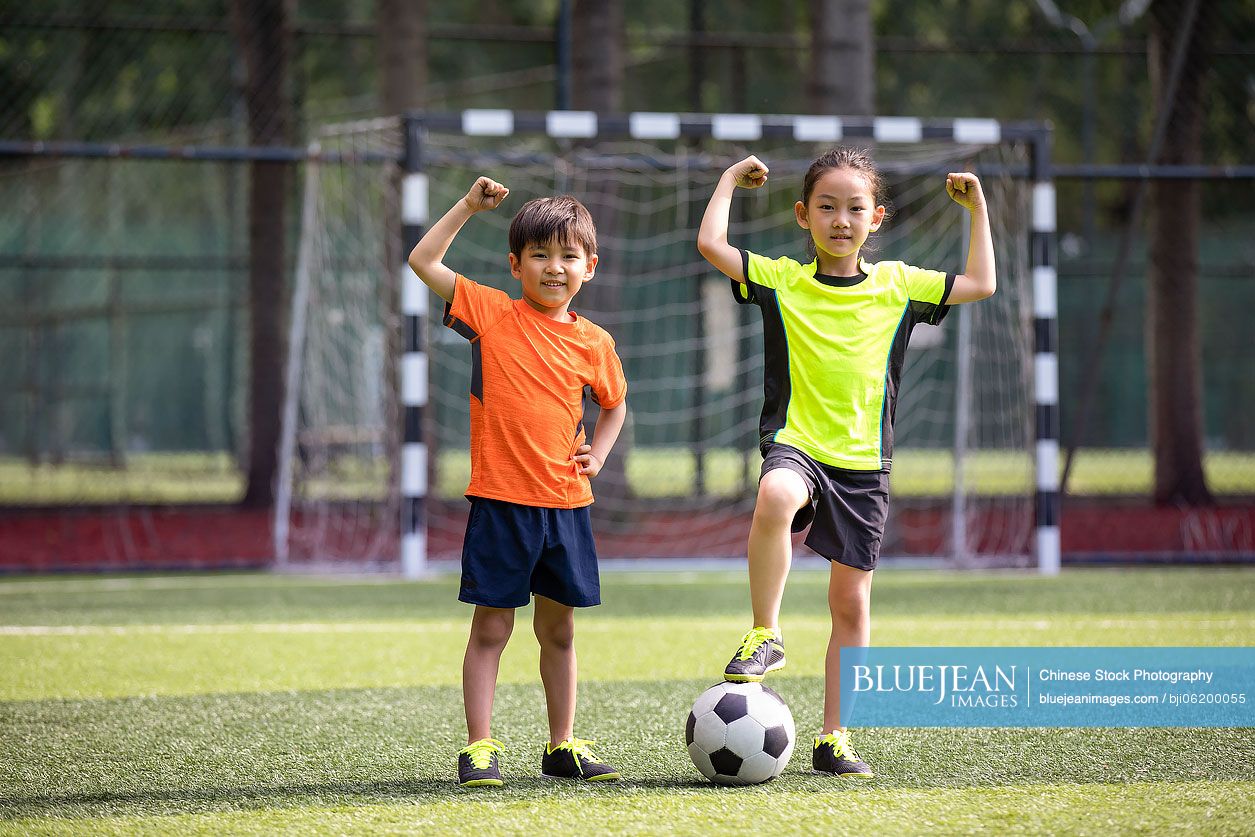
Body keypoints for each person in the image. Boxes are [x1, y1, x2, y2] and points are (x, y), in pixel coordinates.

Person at [696, 147, 996, 778]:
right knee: (775, 496)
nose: (841, 219)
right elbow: (711, 244)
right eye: (826, 207)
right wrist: (727, 180)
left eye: (855, 208)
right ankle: (764, 633)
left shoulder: (898, 285)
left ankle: (836, 737)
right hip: (796, 442)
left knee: (851, 606)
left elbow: (981, 284)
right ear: (802, 216)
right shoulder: (780, 279)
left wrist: (978, 211)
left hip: (864, 465)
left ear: (877, 217)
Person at [408, 177, 628, 788]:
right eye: (539, 254)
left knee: (559, 631)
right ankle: (479, 747)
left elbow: (614, 406)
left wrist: (599, 458)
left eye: (568, 256)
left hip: (565, 508)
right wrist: (469, 208)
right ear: (515, 264)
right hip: (501, 507)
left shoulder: (595, 342)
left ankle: (563, 746)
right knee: (492, 629)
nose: (553, 267)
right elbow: (422, 260)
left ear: (590, 266)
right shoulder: (489, 312)